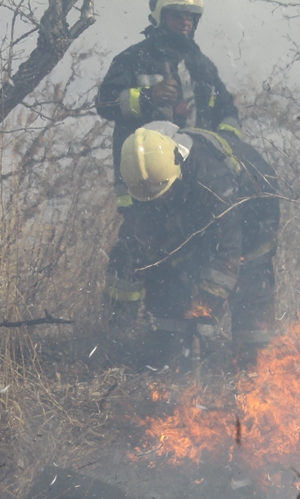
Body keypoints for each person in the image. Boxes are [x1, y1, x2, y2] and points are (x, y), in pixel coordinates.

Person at [97, 0, 243, 327]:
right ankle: (118, 328)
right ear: (160, 16)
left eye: (190, 17)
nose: (185, 22)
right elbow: (105, 102)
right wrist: (146, 96)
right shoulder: (134, 58)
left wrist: (225, 144)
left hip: (192, 184)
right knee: (136, 248)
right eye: (178, 15)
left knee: (186, 256)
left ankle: (172, 332)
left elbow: (227, 110)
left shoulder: (202, 65)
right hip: (142, 182)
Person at [115, 121, 279, 367]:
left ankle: (254, 358)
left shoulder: (211, 178)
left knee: (251, 275)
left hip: (254, 207)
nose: (159, 199)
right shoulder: (144, 175)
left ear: (176, 168)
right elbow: (148, 242)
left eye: (163, 191)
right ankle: (169, 351)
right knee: (171, 267)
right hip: (197, 211)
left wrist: (207, 305)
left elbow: (226, 248)